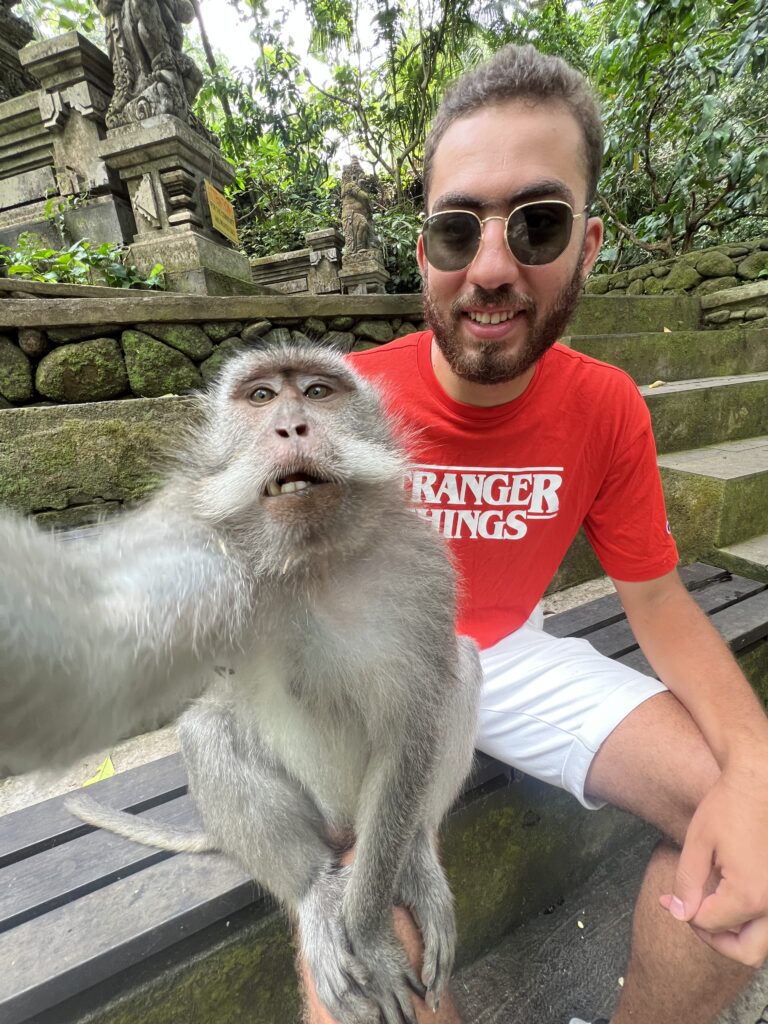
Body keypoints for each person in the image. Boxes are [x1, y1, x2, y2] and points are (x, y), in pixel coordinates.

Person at [307, 43, 768, 1024]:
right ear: (423, 247)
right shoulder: (341, 403)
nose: (491, 268)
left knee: (756, 838)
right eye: (456, 228)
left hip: (508, 651)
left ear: (589, 245)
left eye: (537, 224)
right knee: (358, 961)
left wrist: (757, 763)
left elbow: (656, 598)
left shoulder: (605, 407)